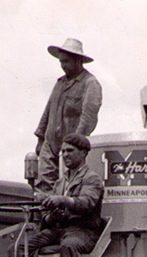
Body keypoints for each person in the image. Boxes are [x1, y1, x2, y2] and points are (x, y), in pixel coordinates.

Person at [28, 133, 103, 257]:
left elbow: (87, 203)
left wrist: (62, 200)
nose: (65, 155)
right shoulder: (60, 183)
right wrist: (50, 216)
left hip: (83, 231)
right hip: (59, 230)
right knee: (21, 247)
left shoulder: (92, 179)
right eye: (63, 152)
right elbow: (47, 216)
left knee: (68, 246)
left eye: (70, 150)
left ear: (84, 153)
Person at [34, 38, 102, 192]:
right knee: (44, 183)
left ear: (78, 60)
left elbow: (88, 117)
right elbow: (48, 111)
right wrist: (40, 138)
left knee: (68, 185)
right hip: (50, 143)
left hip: (70, 146)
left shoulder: (90, 83)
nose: (63, 66)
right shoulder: (60, 83)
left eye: (66, 61)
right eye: (61, 62)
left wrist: (75, 144)